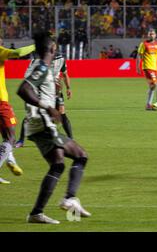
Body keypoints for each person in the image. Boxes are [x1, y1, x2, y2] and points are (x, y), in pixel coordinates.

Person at [17, 31, 91, 224]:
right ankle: (69, 199)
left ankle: (36, 213)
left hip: (38, 125)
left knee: (58, 165)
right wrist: (48, 106)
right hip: (43, 123)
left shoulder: (43, 67)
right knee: (81, 155)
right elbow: (23, 89)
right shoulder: (41, 67)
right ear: (52, 47)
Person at [16, 51, 73, 147]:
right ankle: (21, 140)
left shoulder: (60, 59)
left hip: (56, 91)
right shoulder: (37, 61)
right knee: (31, 115)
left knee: (62, 114)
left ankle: (71, 139)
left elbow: (65, 74)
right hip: (41, 91)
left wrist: (68, 88)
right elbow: (27, 77)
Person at [0, 38, 35, 184]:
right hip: (0, 102)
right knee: (10, 137)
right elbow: (19, 52)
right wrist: (35, 45)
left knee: (6, 134)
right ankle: (7, 159)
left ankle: (10, 159)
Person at [136, 29, 157, 110]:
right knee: (154, 84)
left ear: (155, 35)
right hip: (147, 67)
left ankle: (148, 105)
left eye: (153, 34)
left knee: (153, 86)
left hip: (155, 68)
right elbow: (139, 56)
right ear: (148, 35)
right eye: (150, 34)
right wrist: (138, 67)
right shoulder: (144, 44)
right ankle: (148, 104)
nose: (151, 35)